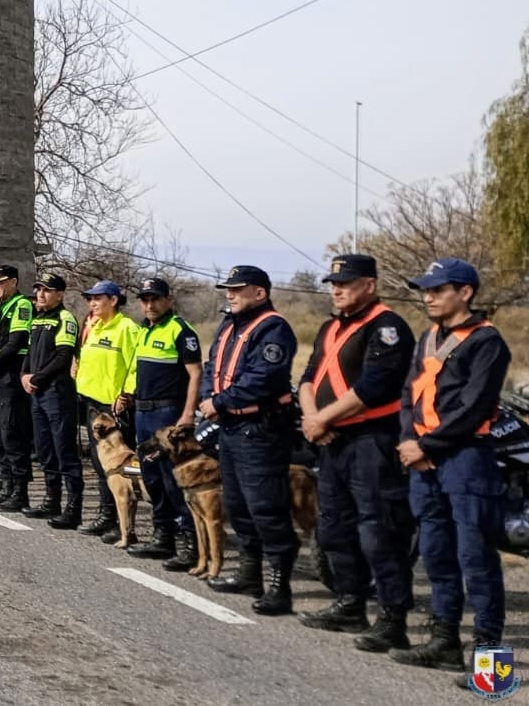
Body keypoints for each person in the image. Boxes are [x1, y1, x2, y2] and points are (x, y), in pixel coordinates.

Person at [391, 258, 512, 672]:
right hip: (425, 462)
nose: (428, 297)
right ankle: (444, 642)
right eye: (425, 290)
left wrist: (425, 445)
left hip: (466, 460)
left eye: (438, 290)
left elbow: (474, 407)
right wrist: (408, 440)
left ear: (465, 293)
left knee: (475, 559)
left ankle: (489, 664)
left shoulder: (486, 341)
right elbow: (409, 395)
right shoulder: (427, 337)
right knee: (436, 553)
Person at [295, 254, 416, 652]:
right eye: (333, 283)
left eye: (345, 282)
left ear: (370, 285)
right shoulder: (331, 326)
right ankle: (350, 603)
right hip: (332, 442)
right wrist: (313, 419)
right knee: (333, 528)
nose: (337, 289)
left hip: (372, 442)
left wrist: (321, 419)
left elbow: (373, 387)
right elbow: (309, 377)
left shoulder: (387, 327)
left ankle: (393, 618)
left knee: (379, 532)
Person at [200, 265, 300, 616]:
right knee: (238, 505)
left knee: (266, 507)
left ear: (260, 293)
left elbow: (264, 378)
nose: (230, 294)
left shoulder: (273, 328)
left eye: (238, 289)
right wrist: (209, 398)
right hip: (230, 428)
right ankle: (249, 573)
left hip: (260, 429)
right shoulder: (230, 324)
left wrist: (219, 402)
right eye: (228, 289)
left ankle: (279, 586)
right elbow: (212, 367)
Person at [124, 278, 202, 563]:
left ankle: (189, 541)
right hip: (143, 413)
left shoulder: (180, 330)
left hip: (168, 415)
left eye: (155, 299)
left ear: (169, 300)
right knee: (151, 477)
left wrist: (188, 413)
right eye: (145, 300)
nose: (150, 305)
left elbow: (195, 374)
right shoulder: (143, 330)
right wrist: (128, 395)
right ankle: (163, 536)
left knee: (173, 480)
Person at [74, 281, 138, 539]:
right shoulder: (94, 326)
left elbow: (135, 366)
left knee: (121, 467)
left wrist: (126, 394)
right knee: (101, 465)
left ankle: (125, 526)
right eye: (90, 299)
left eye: (97, 298)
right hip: (92, 403)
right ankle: (107, 515)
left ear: (113, 300)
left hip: (114, 407)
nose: (92, 303)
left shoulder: (127, 328)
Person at [21, 272, 84, 529]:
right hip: (37, 393)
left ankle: (73, 509)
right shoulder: (38, 319)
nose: (40, 294)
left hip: (57, 393)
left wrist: (36, 378)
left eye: (46, 290)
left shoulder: (64, 318)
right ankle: (51, 501)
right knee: (45, 450)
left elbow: (62, 357)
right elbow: (29, 353)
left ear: (60, 294)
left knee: (64, 451)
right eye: (38, 289)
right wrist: (24, 375)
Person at [0, 266, 34, 512]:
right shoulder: (1, 307)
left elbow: (15, 343)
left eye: (1, 282)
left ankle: (20, 492)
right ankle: (6, 486)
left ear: (13, 281)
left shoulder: (21, 305)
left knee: (12, 434)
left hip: (10, 376)